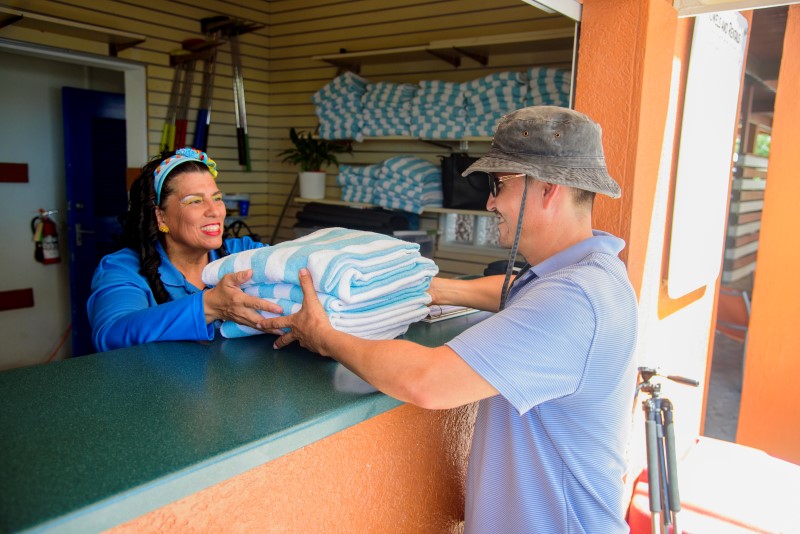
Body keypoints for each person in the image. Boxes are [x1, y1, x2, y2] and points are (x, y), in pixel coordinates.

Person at [259, 106, 638, 533]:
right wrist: (433, 289)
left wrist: (324, 336)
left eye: (499, 184)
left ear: (546, 189)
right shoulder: (591, 271)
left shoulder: (574, 300)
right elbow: (516, 290)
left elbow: (427, 380)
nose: (491, 202)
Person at [87, 147, 281, 352]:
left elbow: (298, 272)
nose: (214, 211)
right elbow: (110, 334)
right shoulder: (122, 269)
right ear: (161, 217)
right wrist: (208, 306)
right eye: (195, 201)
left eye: (217, 198)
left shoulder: (243, 253)